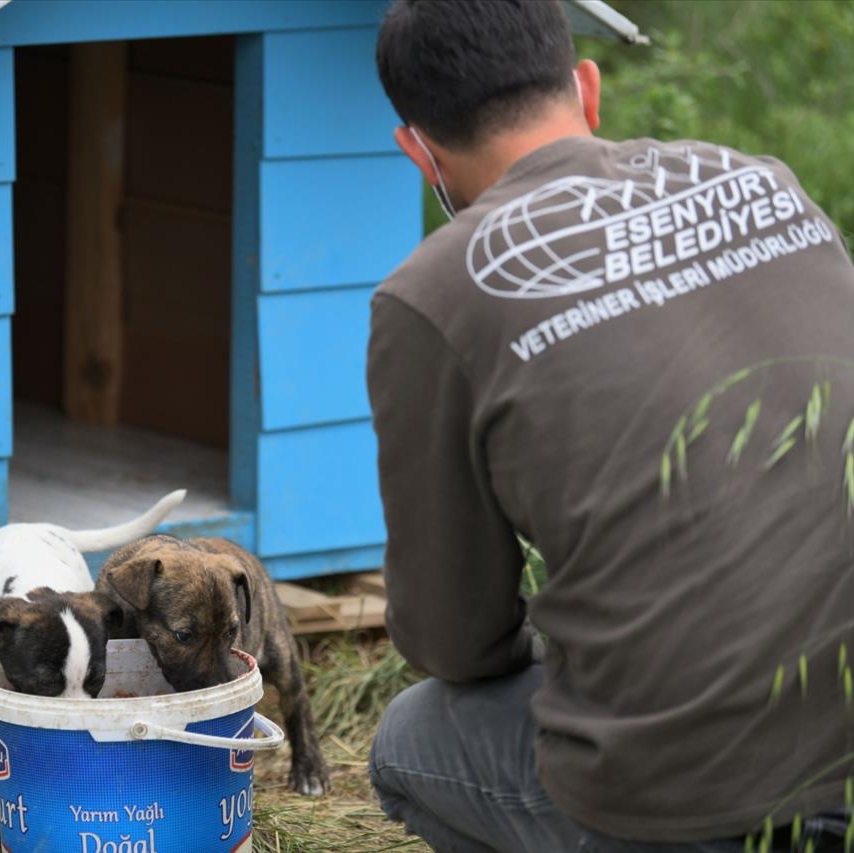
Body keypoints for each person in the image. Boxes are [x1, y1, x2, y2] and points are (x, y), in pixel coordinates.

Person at [364, 1, 854, 851]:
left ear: (419, 153)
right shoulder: (766, 183)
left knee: (412, 737)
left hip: (688, 802)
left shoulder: (431, 292)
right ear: (588, 88)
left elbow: (453, 639)